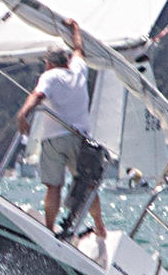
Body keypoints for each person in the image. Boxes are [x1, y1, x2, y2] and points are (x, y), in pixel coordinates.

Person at [12, 21, 106, 246]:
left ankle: (49, 228)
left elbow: (37, 95)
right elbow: (79, 49)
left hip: (54, 139)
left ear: (50, 63)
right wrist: (75, 29)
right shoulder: (79, 69)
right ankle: (100, 227)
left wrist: (23, 114)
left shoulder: (50, 76)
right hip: (80, 139)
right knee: (87, 185)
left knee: (53, 186)